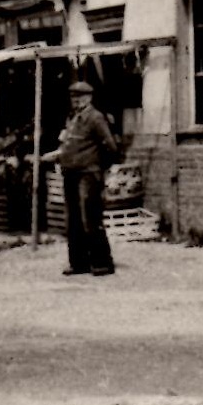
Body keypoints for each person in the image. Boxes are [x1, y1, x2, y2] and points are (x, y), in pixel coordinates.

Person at [41, 81, 119, 277]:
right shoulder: (73, 119)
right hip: (70, 173)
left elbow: (111, 146)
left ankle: (102, 262)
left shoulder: (96, 118)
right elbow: (69, 145)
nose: (76, 101)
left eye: (80, 98)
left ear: (89, 98)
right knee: (73, 220)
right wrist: (57, 155)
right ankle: (78, 263)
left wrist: (98, 168)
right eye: (73, 98)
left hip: (88, 174)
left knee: (90, 218)